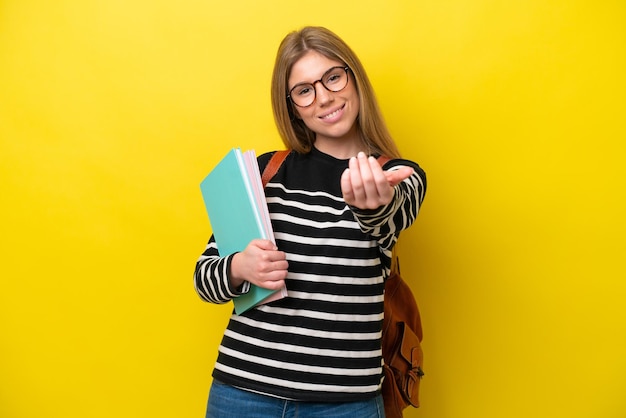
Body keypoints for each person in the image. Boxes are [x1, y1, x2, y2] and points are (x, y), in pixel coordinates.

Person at [194, 26, 427, 418]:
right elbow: (204, 278)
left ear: (354, 78)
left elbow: (389, 217)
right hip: (242, 393)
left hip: (345, 404)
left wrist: (372, 204)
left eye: (333, 77)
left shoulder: (397, 175)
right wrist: (238, 267)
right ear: (293, 106)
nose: (324, 97)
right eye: (304, 90)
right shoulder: (264, 172)